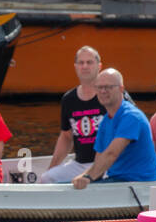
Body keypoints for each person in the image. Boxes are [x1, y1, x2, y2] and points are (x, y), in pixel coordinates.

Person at [72, 68, 156, 187]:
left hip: (136, 183)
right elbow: (100, 158)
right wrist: (86, 177)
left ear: (121, 89)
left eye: (108, 87)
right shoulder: (106, 120)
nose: (103, 91)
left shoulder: (131, 116)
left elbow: (111, 154)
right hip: (118, 181)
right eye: (99, 87)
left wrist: (87, 177)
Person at [41, 45, 107, 183]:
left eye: (89, 62)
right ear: (75, 66)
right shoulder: (69, 99)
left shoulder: (109, 94)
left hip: (108, 163)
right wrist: (52, 167)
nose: (85, 66)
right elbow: (66, 136)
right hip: (80, 164)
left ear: (99, 66)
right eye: (81, 63)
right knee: (47, 178)